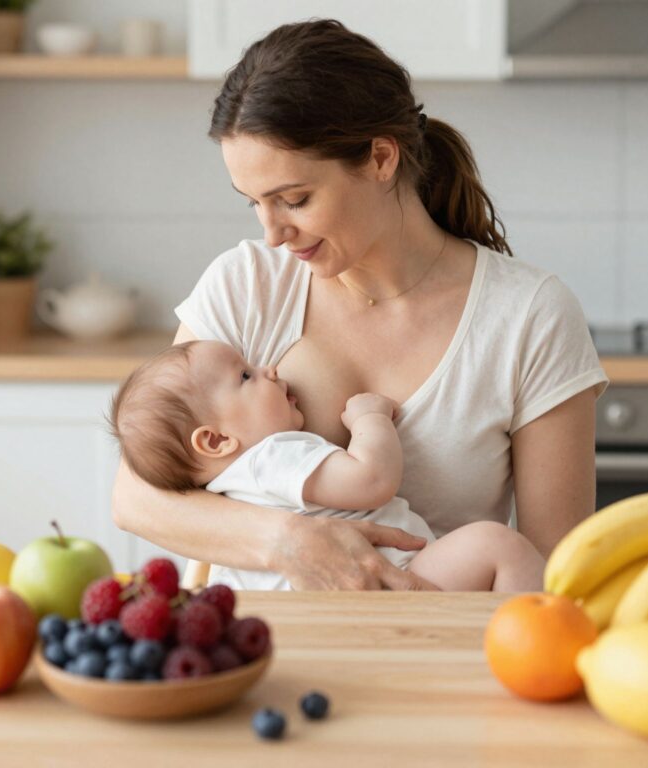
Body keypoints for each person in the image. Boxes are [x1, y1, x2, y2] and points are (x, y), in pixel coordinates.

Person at [111, 19, 608, 590]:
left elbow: (561, 575)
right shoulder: (247, 283)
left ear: (379, 158)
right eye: (254, 203)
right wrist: (290, 544)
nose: (273, 234)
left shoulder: (530, 317)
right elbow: (136, 498)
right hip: (262, 658)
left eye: (294, 199)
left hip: (438, 657)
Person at [109, 339, 544, 591]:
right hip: (392, 583)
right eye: (246, 377)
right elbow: (371, 480)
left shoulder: (227, 489)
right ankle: (523, 652)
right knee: (499, 546)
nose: (270, 369)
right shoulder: (271, 458)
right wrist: (369, 419)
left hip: (328, 608)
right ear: (218, 440)